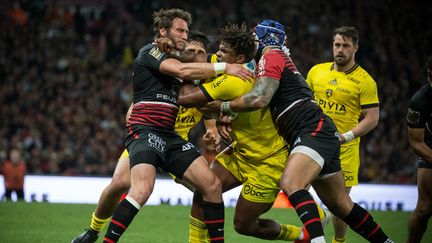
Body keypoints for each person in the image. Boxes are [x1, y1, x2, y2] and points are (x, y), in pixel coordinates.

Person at [208, 19, 393, 243]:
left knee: (291, 183)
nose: (250, 42)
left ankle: (316, 240)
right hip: (320, 132)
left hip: (310, 129)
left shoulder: (271, 55)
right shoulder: (272, 60)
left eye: (254, 37)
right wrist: (230, 117)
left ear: (266, 39)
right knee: (342, 206)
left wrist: (224, 106)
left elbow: (259, 98)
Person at [102, 8, 251, 243]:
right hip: (145, 130)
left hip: (169, 136)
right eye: (180, 30)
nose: (185, 35)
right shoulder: (149, 52)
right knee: (140, 189)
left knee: (211, 185)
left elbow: (207, 59)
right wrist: (226, 68)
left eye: (187, 31)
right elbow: (183, 69)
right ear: (163, 31)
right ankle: (102, 237)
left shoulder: (184, 56)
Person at [179, 22, 328, 243]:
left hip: (267, 163)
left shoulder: (231, 80)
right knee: (204, 189)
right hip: (241, 152)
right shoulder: (243, 69)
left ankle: (298, 234)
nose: (217, 54)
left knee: (244, 226)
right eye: (218, 48)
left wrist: (171, 76)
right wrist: (224, 118)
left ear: (239, 59)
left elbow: (184, 99)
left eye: (224, 51)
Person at [71, 32, 219, 243]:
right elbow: (135, 110)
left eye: (200, 53)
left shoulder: (207, 80)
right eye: (190, 52)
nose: (195, 56)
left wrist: (211, 128)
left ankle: (199, 239)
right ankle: (93, 231)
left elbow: (208, 108)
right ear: (181, 56)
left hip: (176, 144)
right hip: (147, 136)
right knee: (119, 183)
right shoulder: (166, 77)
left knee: (205, 189)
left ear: (206, 57)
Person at [306, 26, 380, 243]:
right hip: (313, 143)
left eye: (346, 45)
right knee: (294, 187)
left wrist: (345, 136)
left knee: (340, 204)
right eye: (337, 45)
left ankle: (339, 241)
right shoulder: (316, 71)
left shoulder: (365, 81)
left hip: (344, 151)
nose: (340, 50)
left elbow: (372, 118)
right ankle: (319, 215)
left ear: (355, 48)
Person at [406, 55, 432, 243]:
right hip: (430, 149)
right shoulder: (420, 101)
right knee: (424, 209)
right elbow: (416, 143)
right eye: (430, 76)